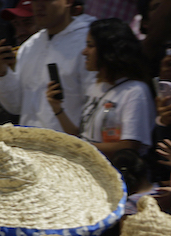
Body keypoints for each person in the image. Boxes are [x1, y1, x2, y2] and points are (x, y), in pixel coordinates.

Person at [0, 0, 94, 131]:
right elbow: (15, 106)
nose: (39, 6)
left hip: (71, 147)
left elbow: (94, 103)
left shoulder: (88, 43)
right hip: (31, 145)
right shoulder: (30, 46)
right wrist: (2, 72)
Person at [48, 17, 154, 155]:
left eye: (90, 46)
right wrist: (57, 109)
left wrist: (77, 147)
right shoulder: (95, 86)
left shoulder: (135, 92)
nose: (84, 52)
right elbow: (82, 138)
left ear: (109, 51)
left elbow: (128, 147)